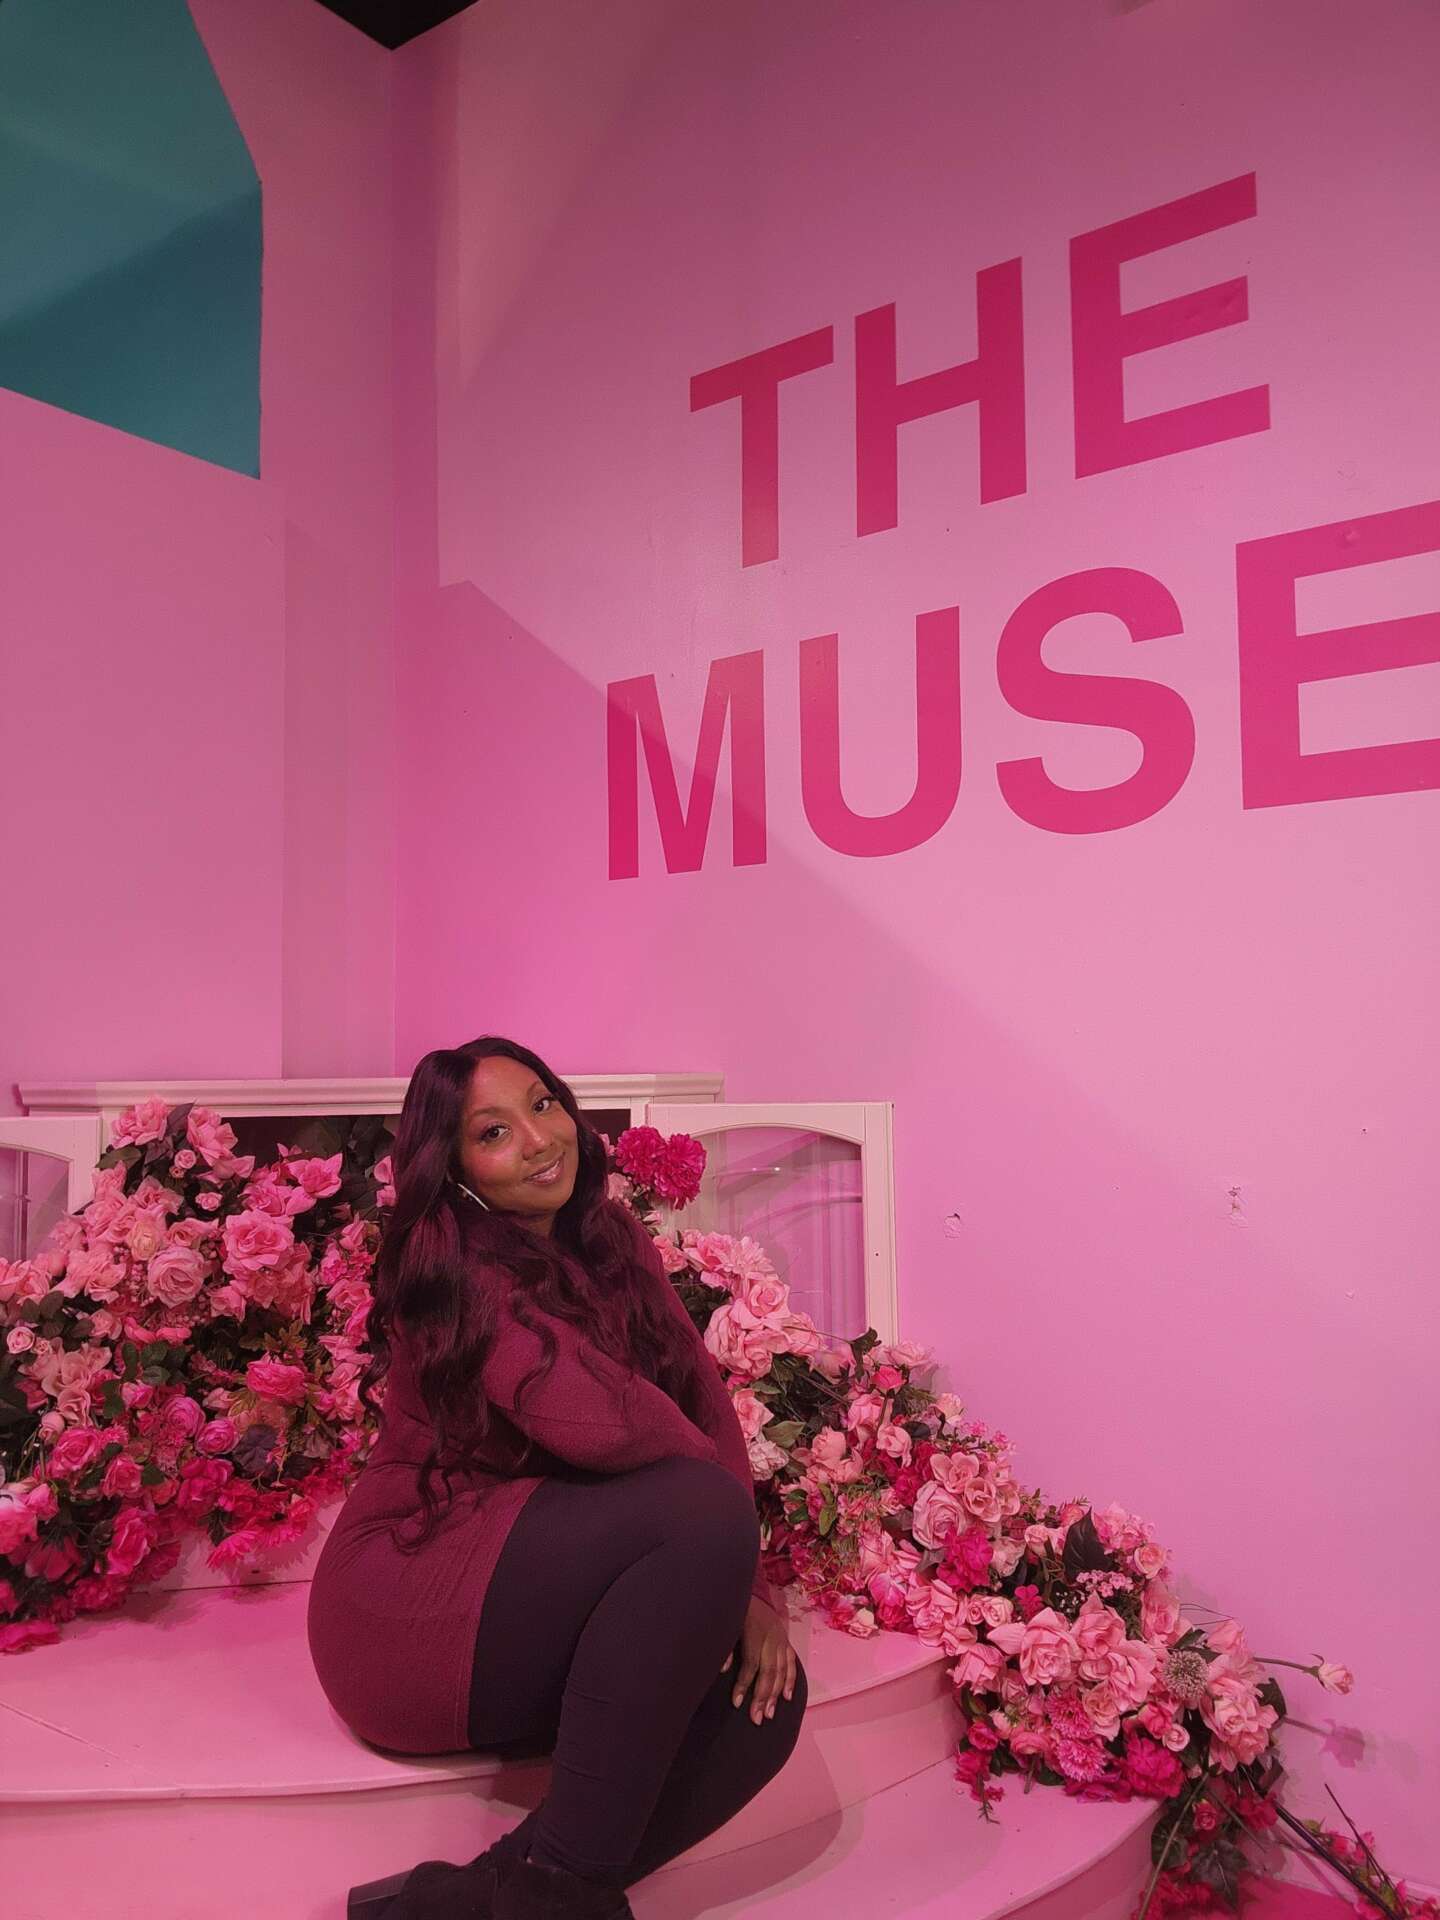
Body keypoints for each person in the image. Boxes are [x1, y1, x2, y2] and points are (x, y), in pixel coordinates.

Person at [307, 1036, 808, 1920]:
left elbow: (702, 1400)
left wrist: (749, 1588)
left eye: (543, 1104)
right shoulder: (456, 1267)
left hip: (537, 1585)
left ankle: (469, 1904)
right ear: (453, 1168)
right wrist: (724, 1556)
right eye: (494, 1132)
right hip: (411, 1607)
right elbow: (600, 1422)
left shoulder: (609, 1237)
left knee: (763, 1700)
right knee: (696, 1512)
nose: (541, 1140)